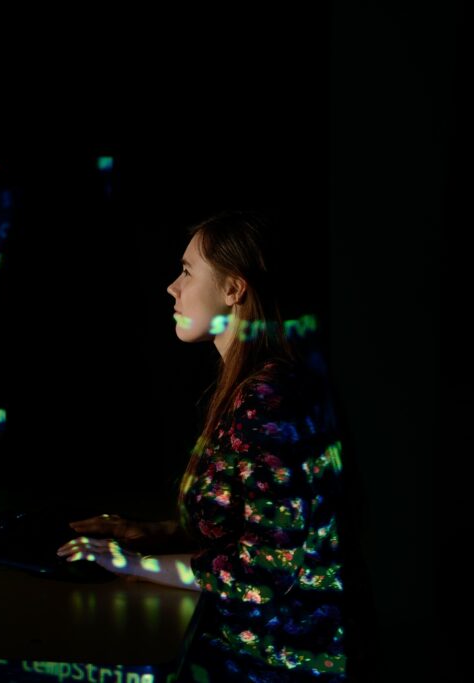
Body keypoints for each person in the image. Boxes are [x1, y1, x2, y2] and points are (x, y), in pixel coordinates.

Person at [57, 211, 352, 682]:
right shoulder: (257, 387)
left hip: (273, 665)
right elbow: (252, 525)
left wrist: (133, 564)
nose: (172, 288)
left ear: (234, 290)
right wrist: (154, 533)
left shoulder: (269, 401)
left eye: (188, 272)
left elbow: (262, 571)